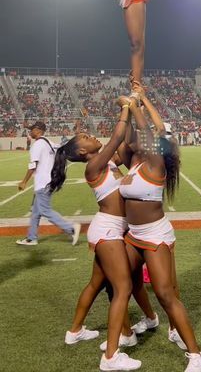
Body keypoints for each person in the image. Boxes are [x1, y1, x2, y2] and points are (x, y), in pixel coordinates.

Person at [49, 100, 142, 372]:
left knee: (96, 284)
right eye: (86, 138)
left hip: (109, 228)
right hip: (109, 229)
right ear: (82, 151)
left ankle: (75, 331)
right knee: (123, 288)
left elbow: (123, 141)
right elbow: (115, 137)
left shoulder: (107, 161)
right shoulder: (94, 167)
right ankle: (111, 357)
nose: (92, 136)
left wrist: (134, 106)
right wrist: (125, 108)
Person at [118, 92, 201, 372]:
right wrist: (132, 106)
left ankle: (196, 354)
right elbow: (132, 135)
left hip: (155, 236)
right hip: (133, 235)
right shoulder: (136, 161)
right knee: (122, 284)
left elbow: (147, 131)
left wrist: (135, 105)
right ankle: (131, 332)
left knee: (166, 294)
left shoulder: (156, 164)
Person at [16, 121, 81, 247]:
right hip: (49, 181)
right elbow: (63, 147)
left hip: (42, 183)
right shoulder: (48, 142)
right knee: (36, 212)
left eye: (32, 129)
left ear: (39, 130)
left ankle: (71, 228)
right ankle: (31, 238)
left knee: (45, 210)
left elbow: (32, 165)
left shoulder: (38, 145)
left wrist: (24, 182)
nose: (30, 132)